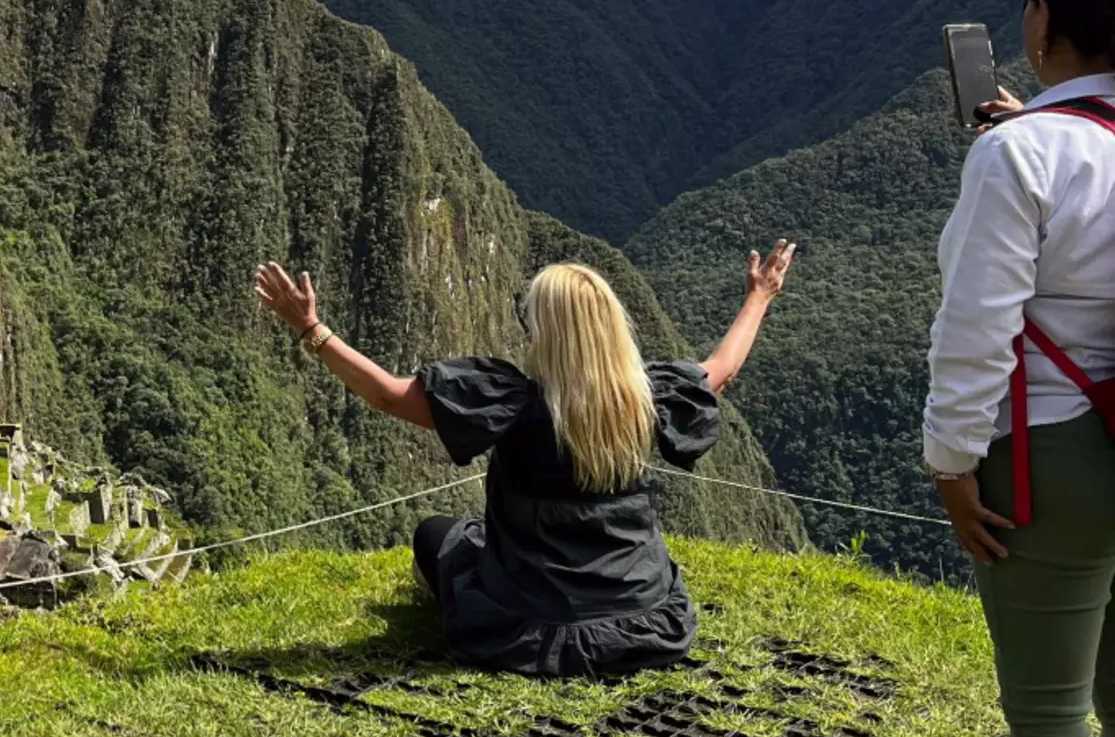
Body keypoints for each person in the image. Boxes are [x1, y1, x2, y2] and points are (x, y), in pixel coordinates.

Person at [253, 240, 795, 678]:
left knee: (436, 536)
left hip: (534, 624)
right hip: (642, 619)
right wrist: (759, 298)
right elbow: (720, 369)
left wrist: (311, 330)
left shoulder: (511, 403)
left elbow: (390, 396)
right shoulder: (645, 398)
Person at [924, 0, 1115, 737]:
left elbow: (974, 331)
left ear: (1040, 24)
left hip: (1051, 455)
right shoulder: (1056, 142)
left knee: (1046, 710)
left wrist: (952, 466)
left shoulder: (1020, 157)